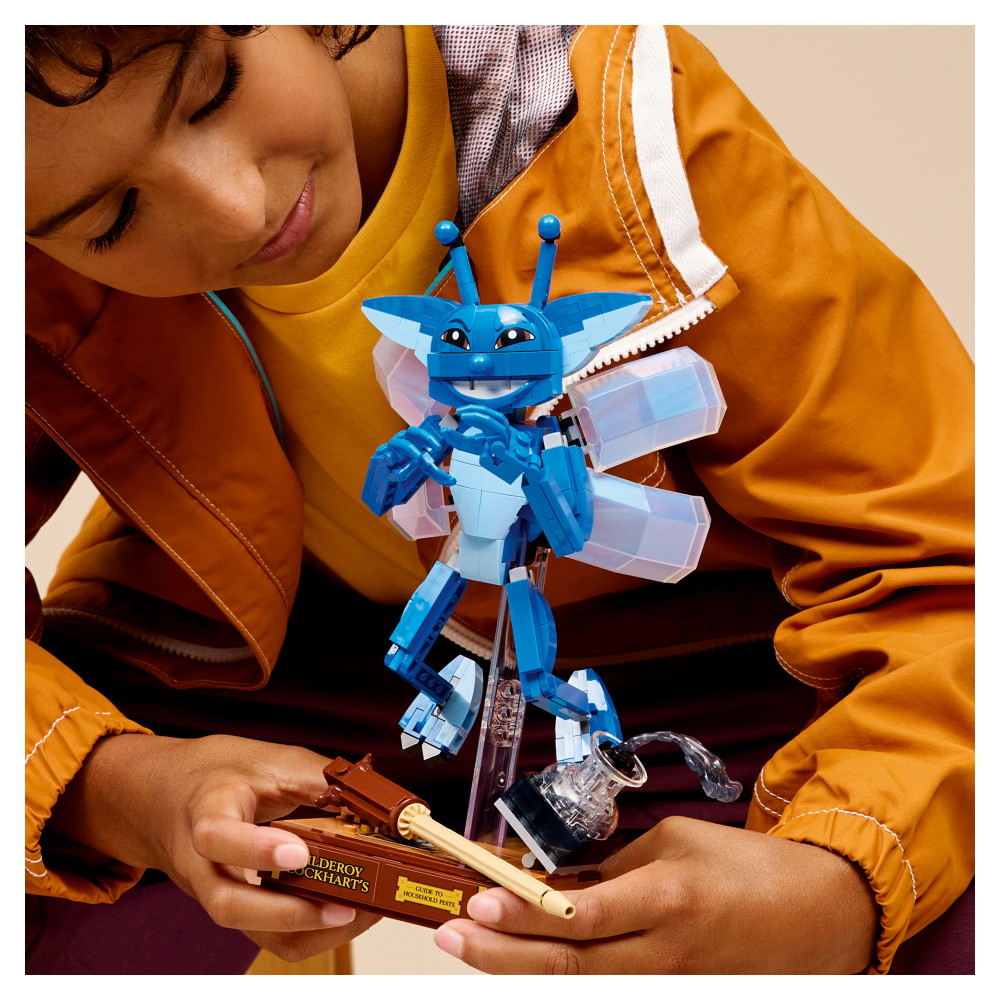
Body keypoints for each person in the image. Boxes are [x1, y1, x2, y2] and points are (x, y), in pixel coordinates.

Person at [25, 25, 973, 975]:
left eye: (215, 89)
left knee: (941, 906)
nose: (236, 211)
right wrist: (120, 787)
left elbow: (951, 560)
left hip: (728, 664)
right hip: (273, 663)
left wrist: (842, 880)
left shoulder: (628, 136)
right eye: (110, 218)